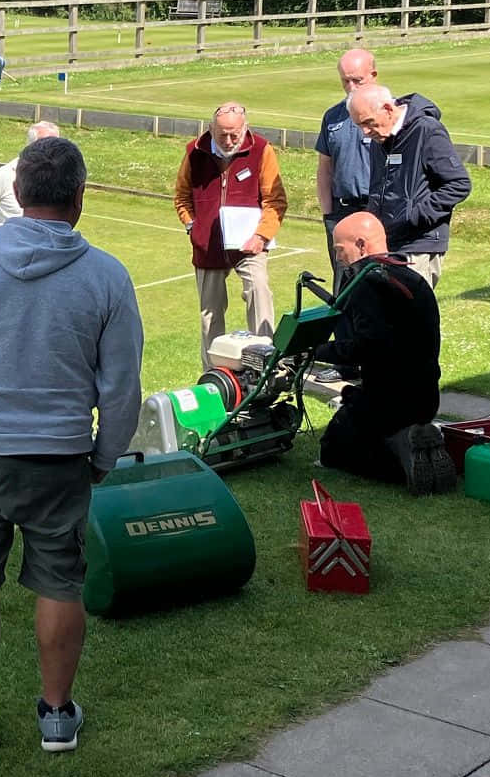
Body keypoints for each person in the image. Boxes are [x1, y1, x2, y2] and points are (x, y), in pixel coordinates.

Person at [0, 137, 143, 754]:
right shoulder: (106, 275)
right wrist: (105, 454)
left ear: (17, 194)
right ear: (79, 198)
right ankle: (56, 713)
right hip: (60, 455)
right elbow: (122, 386)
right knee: (59, 582)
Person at [315, 213, 456, 495]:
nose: (339, 258)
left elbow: (367, 347)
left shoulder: (366, 285)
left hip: (387, 401)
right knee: (357, 406)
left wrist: (315, 351)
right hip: (425, 396)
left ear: (361, 244)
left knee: (333, 449)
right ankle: (418, 439)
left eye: (340, 250)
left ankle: (402, 457)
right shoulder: (411, 277)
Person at [174, 103, 287, 369]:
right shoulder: (194, 151)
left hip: (251, 242)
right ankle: (213, 374)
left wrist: (261, 236)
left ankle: (264, 363)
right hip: (208, 245)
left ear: (245, 128)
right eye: (222, 134)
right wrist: (193, 226)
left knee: (258, 290)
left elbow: (275, 200)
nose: (228, 140)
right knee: (209, 314)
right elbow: (181, 195)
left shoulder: (262, 150)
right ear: (211, 129)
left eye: (234, 134)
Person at [349, 84, 471, 289]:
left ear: (388, 109)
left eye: (368, 122)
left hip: (418, 245)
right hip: (387, 243)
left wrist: (413, 216)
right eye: (359, 125)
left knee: (412, 317)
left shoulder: (426, 130)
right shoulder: (380, 138)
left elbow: (459, 184)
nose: (365, 132)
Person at [315, 48, 376, 280]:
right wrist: (329, 216)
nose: (351, 87)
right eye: (345, 81)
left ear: (373, 75)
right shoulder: (333, 116)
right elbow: (324, 169)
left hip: (377, 210)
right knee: (344, 285)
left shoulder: (387, 112)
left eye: (357, 80)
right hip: (342, 211)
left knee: (379, 283)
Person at [0, 123, 60, 231]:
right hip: (9, 245)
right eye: (46, 144)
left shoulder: (58, 177)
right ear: (30, 146)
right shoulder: (7, 175)